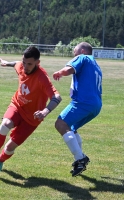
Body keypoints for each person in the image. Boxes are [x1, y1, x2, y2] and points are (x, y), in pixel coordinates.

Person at [0, 46, 62, 172]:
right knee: (5, 124)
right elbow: (17, 63)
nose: (25, 67)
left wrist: (45, 111)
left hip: (32, 118)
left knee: (10, 147)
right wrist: (6, 63)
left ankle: (0, 160)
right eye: (24, 62)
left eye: (29, 64)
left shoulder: (42, 78)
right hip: (17, 105)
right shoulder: (22, 65)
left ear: (38, 63)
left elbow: (57, 97)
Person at [53, 42, 102, 177]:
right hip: (96, 104)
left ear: (82, 50)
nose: (73, 54)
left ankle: (80, 159)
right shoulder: (96, 64)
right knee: (71, 128)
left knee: (60, 123)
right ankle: (80, 159)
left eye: (75, 50)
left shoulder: (83, 57)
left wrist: (60, 72)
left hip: (83, 102)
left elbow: (69, 69)